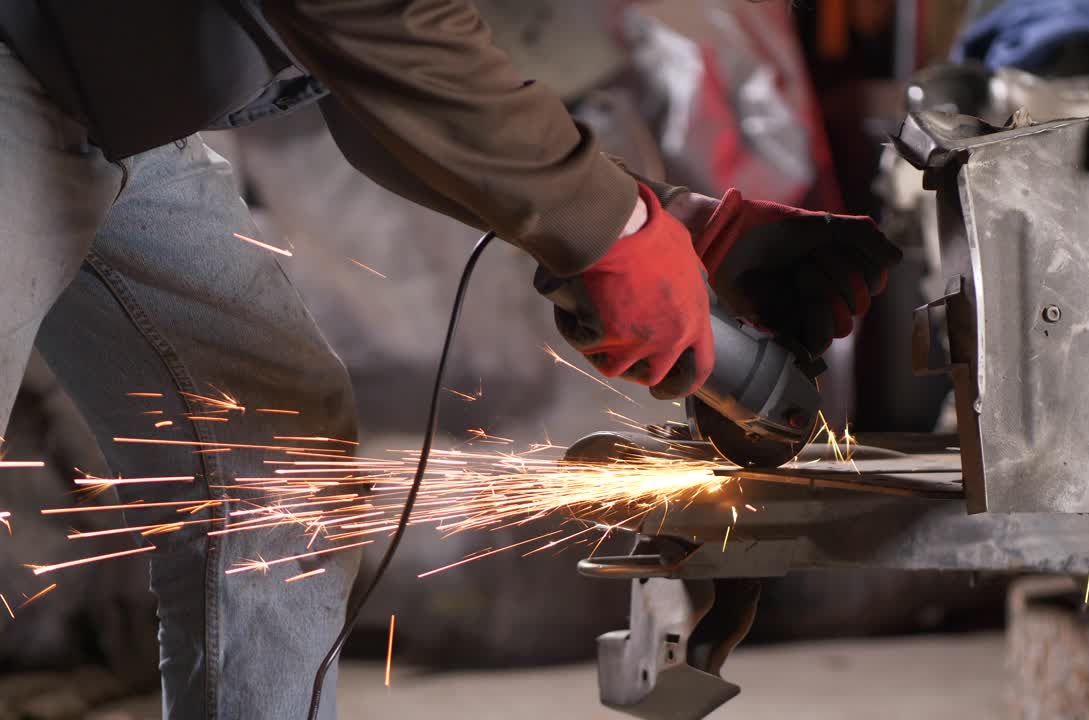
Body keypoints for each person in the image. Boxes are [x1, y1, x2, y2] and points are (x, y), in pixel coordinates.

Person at [0, 1, 898, 717]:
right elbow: (376, 19)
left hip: (119, 106)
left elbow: (374, 90)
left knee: (273, 466)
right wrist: (612, 233)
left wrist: (675, 223)